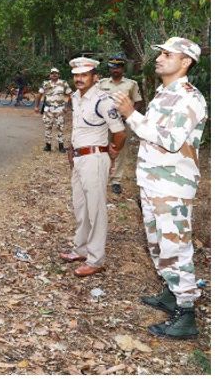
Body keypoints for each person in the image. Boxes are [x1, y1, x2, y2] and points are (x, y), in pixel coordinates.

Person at [112, 37, 206, 339]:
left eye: (167, 54)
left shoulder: (190, 98)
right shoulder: (164, 94)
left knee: (176, 247)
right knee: (158, 244)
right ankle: (171, 292)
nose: (160, 58)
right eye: (161, 54)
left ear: (185, 62)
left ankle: (186, 314)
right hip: (153, 183)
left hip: (173, 186)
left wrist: (131, 114)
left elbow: (169, 139)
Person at [59, 56, 125, 278]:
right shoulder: (76, 97)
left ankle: (96, 260)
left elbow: (119, 132)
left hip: (95, 158)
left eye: (84, 75)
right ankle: (80, 249)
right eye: (76, 75)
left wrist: (113, 152)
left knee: (95, 209)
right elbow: (78, 128)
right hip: (79, 158)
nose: (79, 79)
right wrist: (71, 150)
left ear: (94, 77)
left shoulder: (103, 100)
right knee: (80, 206)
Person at [98, 54, 144, 194]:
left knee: (120, 150)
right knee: (102, 148)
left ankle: (116, 180)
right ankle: (102, 177)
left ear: (123, 69)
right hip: (105, 123)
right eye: (113, 67)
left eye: (118, 67)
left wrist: (129, 115)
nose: (115, 70)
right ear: (110, 69)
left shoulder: (131, 84)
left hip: (123, 123)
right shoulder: (102, 84)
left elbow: (138, 101)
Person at [34, 67, 72, 152]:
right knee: (48, 127)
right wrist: (36, 106)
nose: (54, 75)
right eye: (52, 73)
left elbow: (71, 95)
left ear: (58, 75)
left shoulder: (63, 83)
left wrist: (67, 107)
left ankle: (61, 147)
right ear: (50, 75)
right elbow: (39, 95)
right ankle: (48, 146)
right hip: (48, 110)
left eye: (56, 73)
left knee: (60, 128)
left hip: (60, 110)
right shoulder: (45, 84)